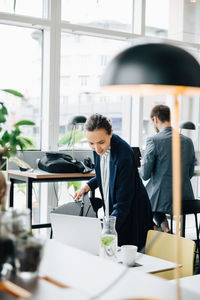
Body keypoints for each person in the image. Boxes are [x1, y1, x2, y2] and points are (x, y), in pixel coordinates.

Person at [74, 113, 153, 250]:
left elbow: (123, 204)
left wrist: (107, 230)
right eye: (91, 143)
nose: (97, 149)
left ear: (111, 133)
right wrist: (89, 185)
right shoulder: (98, 145)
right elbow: (106, 173)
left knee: (127, 256)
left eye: (101, 143)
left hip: (133, 211)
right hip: (118, 210)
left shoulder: (124, 156)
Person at [140, 105, 195, 232]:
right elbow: (190, 173)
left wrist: (143, 163)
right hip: (185, 199)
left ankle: (161, 230)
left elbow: (145, 175)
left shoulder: (153, 140)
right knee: (153, 201)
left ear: (155, 119)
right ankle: (164, 228)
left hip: (162, 200)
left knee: (141, 200)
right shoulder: (188, 141)